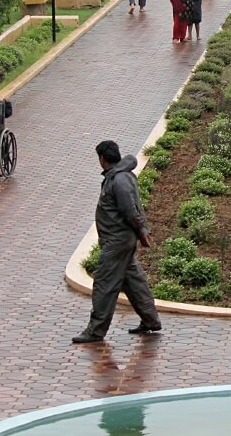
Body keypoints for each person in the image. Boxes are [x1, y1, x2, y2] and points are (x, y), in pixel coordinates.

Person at [73, 140, 162, 343]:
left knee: (104, 284)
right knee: (133, 281)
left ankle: (96, 330)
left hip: (117, 241)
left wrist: (142, 231)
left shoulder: (119, 180)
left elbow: (130, 210)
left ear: (102, 159)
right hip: (121, 241)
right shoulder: (119, 177)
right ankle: (151, 320)